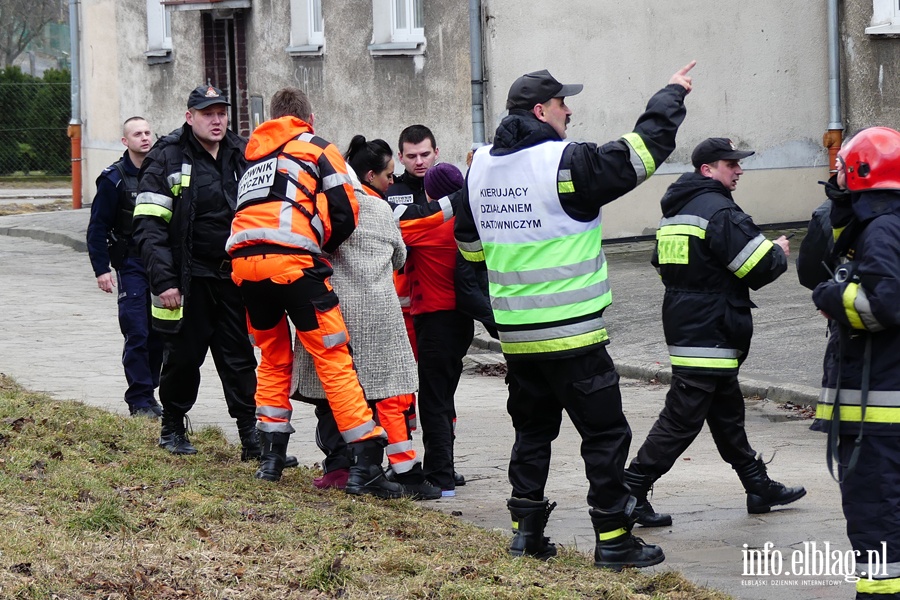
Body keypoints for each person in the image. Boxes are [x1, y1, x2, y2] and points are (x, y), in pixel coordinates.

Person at [455, 63, 695, 570]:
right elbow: (642, 153)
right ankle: (613, 541)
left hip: (518, 339)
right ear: (541, 112)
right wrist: (671, 94)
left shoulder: (479, 170)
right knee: (606, 436)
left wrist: (497, 305)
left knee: (532, 433)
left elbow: (470, 250)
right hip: (575, 336)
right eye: (564, 104)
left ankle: (526, 534)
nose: (571, 111)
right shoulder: (566, 162)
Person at [226, 87, 402, 497]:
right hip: (293, 266)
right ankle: (366, 464)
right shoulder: (317, 147)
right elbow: (346, 209)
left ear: (271, 117)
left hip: (246, 268)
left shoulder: (253, 156)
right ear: (310, 117)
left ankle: (270, 458)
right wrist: (321, 245)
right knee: (333, 357)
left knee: (272, 358)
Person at [624, 138, 806, 529]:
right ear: (707, 170)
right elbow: (756, 267)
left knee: (726, 413)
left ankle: (759, 486)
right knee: (682, 418)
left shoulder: (675, 212)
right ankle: (631, 489)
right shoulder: (719, 210)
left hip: (688, 319)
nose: (738, 170)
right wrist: (777, 251)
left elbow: (662, 265)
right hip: (712, 326)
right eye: (730, 164)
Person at [294, 137, 437, 499]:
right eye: (388, 175)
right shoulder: (380, 210)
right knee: (379, 395)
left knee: (331, 394)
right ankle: (372, 469)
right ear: (370, 176)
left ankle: (339, 467)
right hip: (378, 317)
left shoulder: (325, 204)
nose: (392, 182)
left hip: (332, 312)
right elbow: (400, 258)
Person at [133, 85, 261, 463]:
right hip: (188, 281)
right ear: (190, 117)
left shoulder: (243, 153)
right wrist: (164, 281)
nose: (217, 119)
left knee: (239, 359)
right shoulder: (168, 156)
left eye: (221, 112)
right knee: (184, 357)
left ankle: (251, 436)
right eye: (208, 113)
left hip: (234, 278)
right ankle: (172, 426)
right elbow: (150, 227)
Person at [808, 127, 900, 600]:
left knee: (875, 512)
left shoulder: (882, 227)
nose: (835, 172)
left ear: (863, 171)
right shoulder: (883, 221)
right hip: (883, 401)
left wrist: (831, 294)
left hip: (879, 411)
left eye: (843, 165)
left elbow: (887, 304)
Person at [388, 127, 474, 496]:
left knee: (434, 400)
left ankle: (440, 475)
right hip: (460, 319)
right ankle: (445, 468)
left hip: (434, 319)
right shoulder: (467, 224)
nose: (419, 162)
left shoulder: (430, 227)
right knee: (445, 394)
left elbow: (401, 231)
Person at [86, 116, 164, 419]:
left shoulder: (162, 173)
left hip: (160, 264)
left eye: (148, 132)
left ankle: (151, 392)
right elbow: (97, 227)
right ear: (125, 141)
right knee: (138, 332)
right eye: (137, 134)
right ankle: (140, 399)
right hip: (130, 263)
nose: (144, 138)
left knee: (160, 333)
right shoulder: (113, 179)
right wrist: (101, 269)